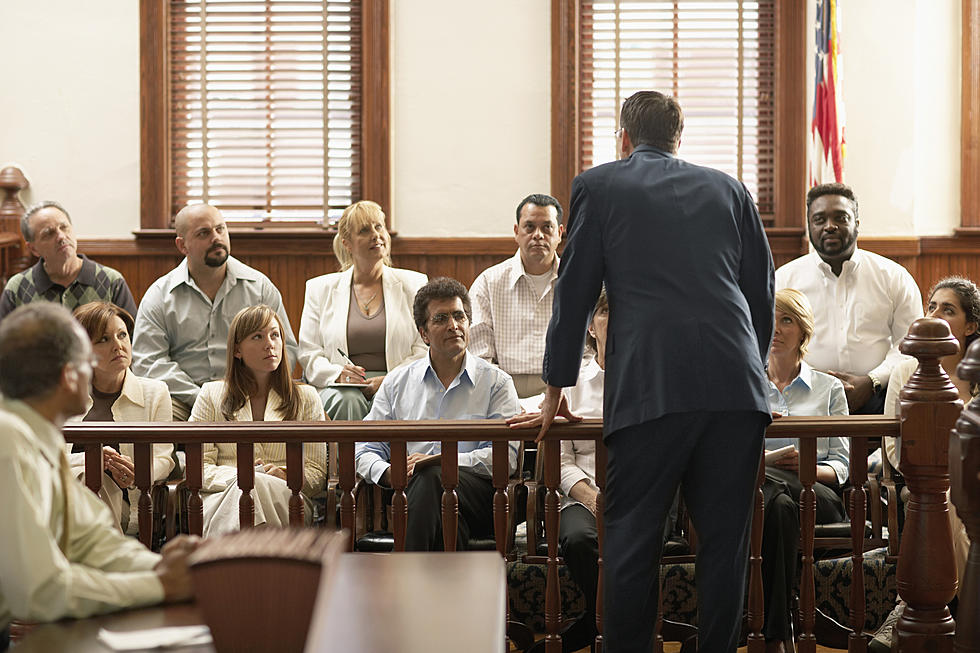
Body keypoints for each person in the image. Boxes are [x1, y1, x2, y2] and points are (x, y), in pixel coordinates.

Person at [515, 90, 774, 653]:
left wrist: (555, 387)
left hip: (652, 388)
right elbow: (761, 292)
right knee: (726, 547)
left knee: (632, 542)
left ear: (624, 139)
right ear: (680, 140)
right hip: (736, 391)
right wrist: (755, 372)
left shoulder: (599, 185)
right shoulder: (729, 189)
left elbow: (576, 292)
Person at [0, 303, 199, 651]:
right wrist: (162, 586)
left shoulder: (41, 435)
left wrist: (180, 571)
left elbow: (93, 541)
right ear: (69, 375)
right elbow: (41, 591)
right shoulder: (9, 441)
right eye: (88, 362)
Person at [355, 277, 521, 551]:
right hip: (410, 496)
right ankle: (441, 590)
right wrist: (388, 473)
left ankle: (407, 582)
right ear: (424, 334)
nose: (454, 326)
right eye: (441, 318)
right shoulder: (397, 383)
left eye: (459, 316)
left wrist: (441, 461)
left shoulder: (496, 383)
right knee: (440, 509)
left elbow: (506, 458)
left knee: (433, 478)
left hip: (479, 497)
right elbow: (364, 448)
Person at [870, 276, 979, 653]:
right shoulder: (904, 372)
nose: (934, 315)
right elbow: (893, 445)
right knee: (947, 498)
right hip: (924, 483)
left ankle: (906, 613)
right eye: (931, 307)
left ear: (970, 325)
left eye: (947, 309)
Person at [132, 203, 297, 420]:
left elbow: (287, 351)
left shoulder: (259, 288)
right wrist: (202, 397)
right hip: (184, 400)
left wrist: (248, 391)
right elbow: (148, 362)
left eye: (221, 229)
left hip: (250, 395)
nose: (216, 238)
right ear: (182, 245)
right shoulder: (159, 296)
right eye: (204, 233)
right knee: (156, 415)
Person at [775, 183, 922, 414]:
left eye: (840, 218)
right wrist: (816, 382)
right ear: (809, 226)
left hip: (878, 396)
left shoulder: (894, 277)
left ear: (857, 224)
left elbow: (910, 343)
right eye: (819, 219)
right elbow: (768, 343)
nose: (830, 226)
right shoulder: (783, 280)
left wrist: (872, 380)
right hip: (804, 396)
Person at [190, 305, 327, 536]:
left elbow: (316, 473)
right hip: (222, 496)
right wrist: (243, 476)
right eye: (257, 336)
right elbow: (197, 467)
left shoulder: (307, 397)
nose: (269, 344)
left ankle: (225, 565)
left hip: (288, 497)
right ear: (237, 350)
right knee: (247, 490)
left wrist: (286, 474)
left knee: (252, 489)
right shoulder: (210, 394)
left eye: (275, 335)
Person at [762, 289, 849, 652]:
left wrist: (810, 466)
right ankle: (779, 637)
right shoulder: (745, 384)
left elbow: (844, 464)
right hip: (766, 498)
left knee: (774, 491)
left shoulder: (829, 388)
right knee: (778, 505)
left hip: (818, 492)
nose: (777, 330)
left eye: (787, 320)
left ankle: (767, 633)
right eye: (770, 320)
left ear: (803, 332)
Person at [298, 200, 427, 420]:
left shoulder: (414, 284)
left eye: (379, 227)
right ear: (347, 243)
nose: (376, 235)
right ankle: (349, 456)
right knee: (347, 400)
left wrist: (388, 380)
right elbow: (309, 353)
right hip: (339, 387)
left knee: (388, 397)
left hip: (397, 380)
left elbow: (423, 349)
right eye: (365, 230)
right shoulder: (319, 288)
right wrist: (338, 374)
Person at [68, 302, 175, 534]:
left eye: (122, 335)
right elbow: (45, 456)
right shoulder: (64, 394)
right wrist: (92, 459)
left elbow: (164, 458)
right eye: (104, 340)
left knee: (93, 479)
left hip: (126, 504)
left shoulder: (156, 393)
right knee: (89, 472)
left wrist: (140, 472)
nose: (118, 346)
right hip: (64, 497)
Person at [469, 193, 564, 397]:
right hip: (501, 387)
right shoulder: (488, 282)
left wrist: (563, 393)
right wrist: (501, 396)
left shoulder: (577, 281)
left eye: (547, 227)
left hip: (565, 387)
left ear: (560, 233)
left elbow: (589, 349)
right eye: (529, 227)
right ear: (516, 232)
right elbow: (479, 354)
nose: (538, 235)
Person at [0, 201, 137, 322]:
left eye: (64, 227)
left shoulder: (111, 281)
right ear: (33, 249)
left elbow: (131, 341)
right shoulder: (17, 288)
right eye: (49, 233)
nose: (61, 236)